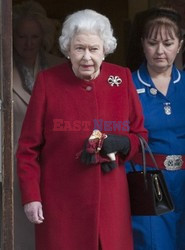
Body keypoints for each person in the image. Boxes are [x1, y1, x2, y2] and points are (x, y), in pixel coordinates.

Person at [16, 9, 147, 250]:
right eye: (79, 48)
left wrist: (124, 143)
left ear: (105, 49)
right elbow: (28, 148)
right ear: (67, 49)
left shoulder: (121, 78)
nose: (87, 57)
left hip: (110, 206)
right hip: (61, 207)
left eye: (94, 49)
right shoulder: (48, 82)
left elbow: (140, 136)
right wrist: (31, 197)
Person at [126, 6, 185, 250]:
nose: (160, 51)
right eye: (152, 43)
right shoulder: (126, 83)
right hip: (148, 180)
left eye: (168, 43)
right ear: (142, 44)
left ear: (180, 45)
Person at [13, 1, 65, 249]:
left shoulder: (60, 68)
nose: (28, 43)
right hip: (16, 159)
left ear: (43, 36)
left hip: (55, 161)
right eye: (22, 36)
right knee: (21, 232)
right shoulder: (3, 69)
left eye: (34, 36)